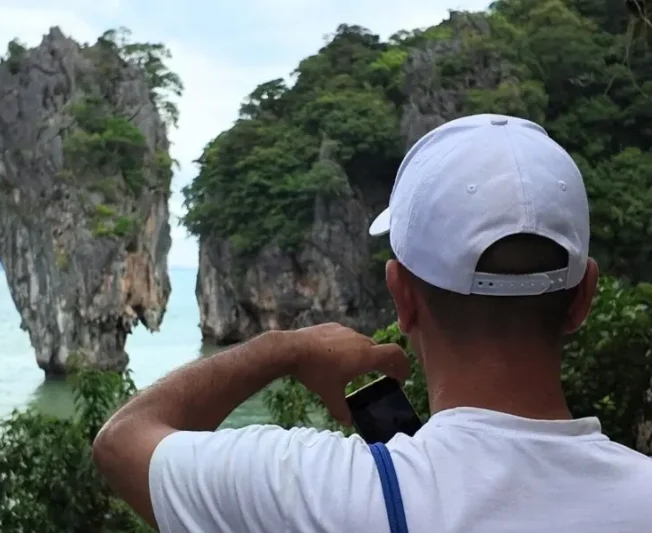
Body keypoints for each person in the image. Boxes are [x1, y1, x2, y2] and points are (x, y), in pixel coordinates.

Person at [92, 114, 652, 532]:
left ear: (402, 297)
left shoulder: (326, 496)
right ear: (583, 296)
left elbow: (123, 441)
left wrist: (283, 349)